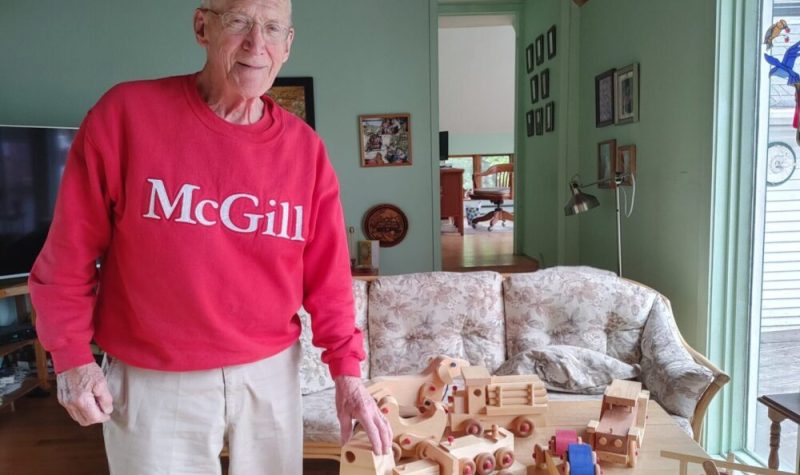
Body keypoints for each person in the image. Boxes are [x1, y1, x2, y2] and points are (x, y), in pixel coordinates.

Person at [28, 0, 392, 473]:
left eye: (272, 28)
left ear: (288, 44)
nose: (255, 45)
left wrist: (348, 375)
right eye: (239, 21)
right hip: (154, 378)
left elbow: (330, 279)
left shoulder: (306, 151)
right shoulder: (125, 115)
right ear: (203, 26)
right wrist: (72, 358)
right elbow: (68, 256)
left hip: (271, 377)